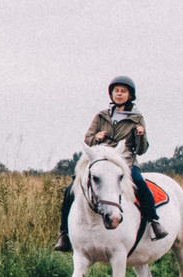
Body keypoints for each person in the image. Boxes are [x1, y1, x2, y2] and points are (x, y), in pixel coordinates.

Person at [57, 76, 160, 249]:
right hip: (100, 160)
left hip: (124, 161)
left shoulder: (137, 118)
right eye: (116, 91)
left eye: (123, 91)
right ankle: (64, 233)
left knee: (139, 183)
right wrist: (96, 138)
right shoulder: (101, 116)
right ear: (111, 94)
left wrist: (141, 136)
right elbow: (88, 139)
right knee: (71, 189)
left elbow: (142, 149)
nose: (119, 94)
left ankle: (154, 221)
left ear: (130, 95)